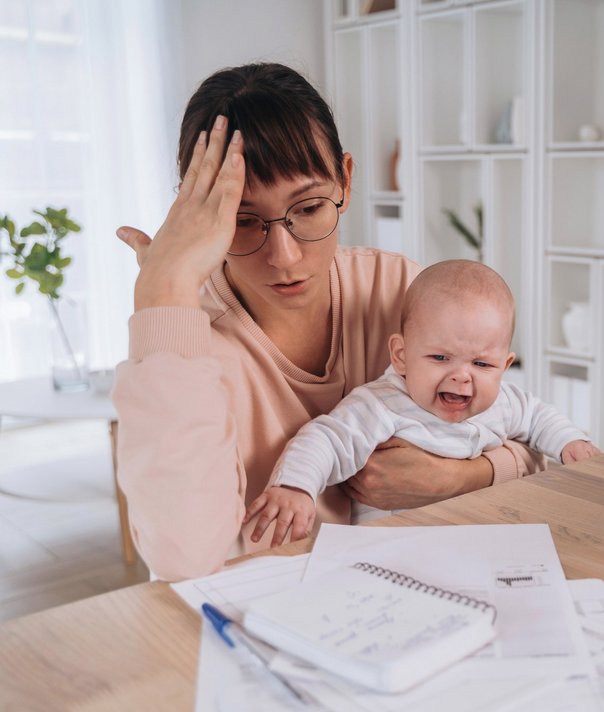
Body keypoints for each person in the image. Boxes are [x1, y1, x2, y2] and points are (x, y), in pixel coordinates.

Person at [111, 63, 544, 581]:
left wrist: (459, 477)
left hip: (410, 581)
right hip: (266, 603)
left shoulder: (400, 290)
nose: (285, 255)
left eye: (310, 208)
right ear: (197, 212)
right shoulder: (182, 338)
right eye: (244, 221)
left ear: (346, 179)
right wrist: (164, 291)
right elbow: (182, 560)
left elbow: (531, 439)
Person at [245, 260, 601, 546]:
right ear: (401, 356)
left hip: (478, 539)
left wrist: (572, 442)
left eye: (481, 364)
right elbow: (327, 439)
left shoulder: (504, 402)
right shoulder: (383, 405)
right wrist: (295, 487)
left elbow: (540, 418)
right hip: (389, 547)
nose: (463, 376)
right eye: (440, 358)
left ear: (504, 366)